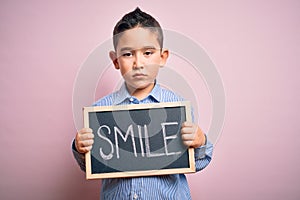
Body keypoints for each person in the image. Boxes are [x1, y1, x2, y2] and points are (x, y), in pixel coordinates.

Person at [72, 7, 213, 200]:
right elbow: (89, 165)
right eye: (128, 54)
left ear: (162, 57)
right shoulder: (99, 112)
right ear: (115, 61)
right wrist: (80, 148)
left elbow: (197, 162)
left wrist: (200, 142)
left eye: (148, 52)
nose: (138, 63)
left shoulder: (178, 108)